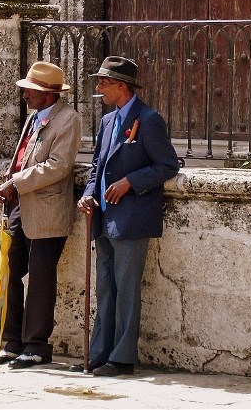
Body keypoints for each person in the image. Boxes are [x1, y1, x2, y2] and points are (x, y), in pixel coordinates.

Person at [70, 56, 179, 377]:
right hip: (103, 217)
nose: (99, 88)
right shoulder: (107, 121)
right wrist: (89, 194)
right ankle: (98, 354)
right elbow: (97, 166)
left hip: (131, 219)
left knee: (127, 290)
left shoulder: (149, 119)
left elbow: (167, 165)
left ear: (121, 86)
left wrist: (130, 181)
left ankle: (122, 358)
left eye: (104, 83)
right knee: (105, 288)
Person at [0, 61, 81, 369]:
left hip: (47, 211)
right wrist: (9, 181)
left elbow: (58, 165)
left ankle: (37, 345)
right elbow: (24, 159)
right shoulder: (33, 118)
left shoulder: (68, 119)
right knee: (7, 269)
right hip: (21, 206)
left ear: (49, 94)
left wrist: (16, 182)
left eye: (31, 90)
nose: (25, 94)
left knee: (40, 278)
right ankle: (12, 341)